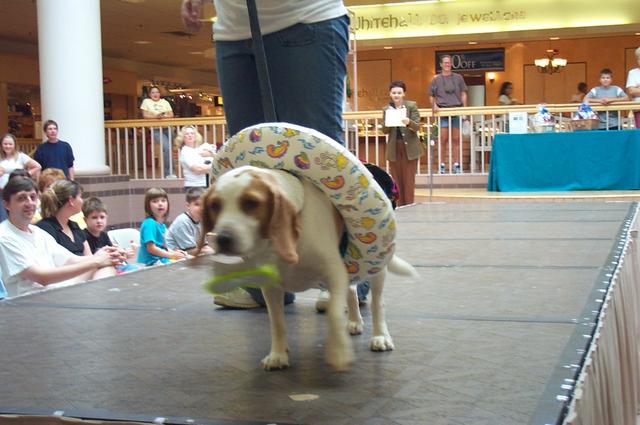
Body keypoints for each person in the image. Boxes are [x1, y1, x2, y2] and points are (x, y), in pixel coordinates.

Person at [182, 0, 349, 309]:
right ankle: (264, 285)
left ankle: (342, 280)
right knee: (249, 160)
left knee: (321, 160)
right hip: (232, 30)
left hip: (303, 18)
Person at [0, 176, 124, 298]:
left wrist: (106, 254)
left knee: (105, 267)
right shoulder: (4, 236)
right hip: (33, 302)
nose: (30, 203)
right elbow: (42, 277)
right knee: (99, 266)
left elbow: (71, 260)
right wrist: (96, 261)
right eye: (21, 198)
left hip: (56, 292)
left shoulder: (38, 232)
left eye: (33, 197)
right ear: (7, 204)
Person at [381, 80, 422, 206]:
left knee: (409, 179)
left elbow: (417, 126)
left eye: (399, 93)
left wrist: (408, 122)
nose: (396, 95)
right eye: (394, 93)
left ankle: (409, 205)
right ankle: (399, 206)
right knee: (396, 178)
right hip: (394, 147)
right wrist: (387, 122)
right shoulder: (386, 109)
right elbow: (385, 130)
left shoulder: (411, 106)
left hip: (410, 148)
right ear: (390, 94)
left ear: (404, 94)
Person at [36, 180, 99, 260]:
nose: (82, 201)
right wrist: (98, 258)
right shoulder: (45, 228)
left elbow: (89, 258)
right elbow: (56, 262)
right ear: (71, 200)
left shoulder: (74, 226)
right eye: (80, 196)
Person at [429, 55, 468, 174]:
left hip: (456, 110)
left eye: (449, 62)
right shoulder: (436, 79)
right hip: (443, 111)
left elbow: (463, 94)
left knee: (456, 139)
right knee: (442, 139)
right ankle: (442, 165)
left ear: (451, 64)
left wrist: (464, 110)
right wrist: (434, 105)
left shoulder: (458, 77)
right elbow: (431, 95)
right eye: (445, 62)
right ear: (441, 64)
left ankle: (456, 165)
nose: (447, 64)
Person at [137, 187, 187, 266]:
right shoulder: (149, 224)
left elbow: (162, 248)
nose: (160, 204)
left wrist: (175, 253)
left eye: (163, 200)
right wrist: (172, 255)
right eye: (155, 201)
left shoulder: (162, 225)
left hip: (161, 260)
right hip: (151, 264)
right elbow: (151, 248)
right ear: (148, 205)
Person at [0, 133, 41, 222]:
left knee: (17, 215)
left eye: (10, 144)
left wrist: (25, 175)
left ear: (14, 145)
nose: (8, 146)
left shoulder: (20, 156)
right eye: (5, 144)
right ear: (1, 145)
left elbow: (37, 166)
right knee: (2, 218)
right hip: (2, 192)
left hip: (17, 191)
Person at [166, 187, 214, 256]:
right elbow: (190, 251)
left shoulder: (201, 221)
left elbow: (204, 246)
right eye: (197, 204)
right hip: (172, 257)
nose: (202, 208)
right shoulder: (183, 222)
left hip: (186, 255)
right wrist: (212, 253)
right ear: (188, 206)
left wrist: (215, 253)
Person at [140, 86, 175, 178]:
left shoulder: (165, 102)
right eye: (153, 92)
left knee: (169, 150)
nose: (155, 94)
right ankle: (168, 173)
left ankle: (172, 172)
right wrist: (157, 116)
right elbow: (145, 115)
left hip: (168, 127)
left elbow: (171, 114)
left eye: (157, 92)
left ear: (160, 94)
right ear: (149, 94)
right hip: (155, 129)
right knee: (167, 148)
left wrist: (163, 116)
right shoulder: (146, 102)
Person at [175, 126, 215, 190]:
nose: (190, 135)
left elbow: (215, 156)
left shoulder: (201, 148)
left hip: (206, 184)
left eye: (192, 133)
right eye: (187, 134)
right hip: (194, 187)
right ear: (182, 137)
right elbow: (198, 169)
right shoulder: (185, 152)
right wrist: (215, 166)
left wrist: (211, 155)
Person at [626, 47, 640, 128]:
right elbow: (631, 91)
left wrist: (637, 89)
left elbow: (635, 91)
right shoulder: (632, 73)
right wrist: (635, 90)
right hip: (638, 108)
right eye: (638, 58)